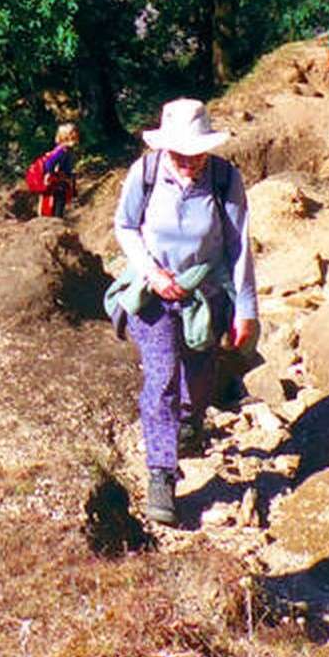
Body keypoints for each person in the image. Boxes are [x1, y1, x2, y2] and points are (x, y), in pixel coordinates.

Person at [107, 100, 257, 526]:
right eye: (179, 154)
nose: (188, 162)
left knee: (198, 373)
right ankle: (161, 473)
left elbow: (238, 245)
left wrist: (245, 309)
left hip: (205, 295)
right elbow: (125, 225)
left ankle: (191, 423)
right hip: (151, 294)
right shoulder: (146, 173)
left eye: (196, 154)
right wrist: (152, 273)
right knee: (162, 378)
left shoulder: (226, 179)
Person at [24, 121, 81, 216]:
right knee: (57, 201)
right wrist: (49, 175)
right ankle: (54, 221)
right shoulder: (61, 151)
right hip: (57, 182)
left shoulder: (66, 150)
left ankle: (55, 220)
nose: (76, 135)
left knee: (60, 200)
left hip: (60, 180)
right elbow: (49, 163)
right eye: (73, 133)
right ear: (67, 136)